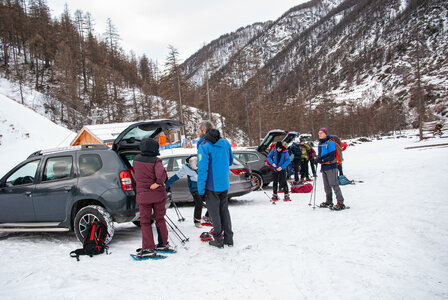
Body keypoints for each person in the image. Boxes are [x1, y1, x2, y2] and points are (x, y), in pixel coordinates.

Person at [133, 138, 174, 258]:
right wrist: (157, 184)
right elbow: (161, 176)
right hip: (157, 195)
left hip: (143, 195)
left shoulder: (136, 160)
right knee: (160, 219)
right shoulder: (156, 161)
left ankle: (148, 247)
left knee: (145, 222)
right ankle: (162, 244)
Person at [197, 121, 234, 248]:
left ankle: (218, 239)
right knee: (224, 211)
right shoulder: (225, 142)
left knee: (214, 213)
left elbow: (202, 169)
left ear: (203, 131)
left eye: (198, 130)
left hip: (211, 185)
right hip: (224, 183)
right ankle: (229, 238)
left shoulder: (204, 145)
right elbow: (230, 161)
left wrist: (200, 190)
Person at [165, 156, 206, 228]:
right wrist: (165, 185)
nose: (197, 169)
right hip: (194, 188)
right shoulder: (185, 168)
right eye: (195, 168)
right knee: (199, 203)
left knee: (212, 201)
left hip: (204, 186)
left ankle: (208, 217)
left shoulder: (200, 160)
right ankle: (197, 221)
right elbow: (176, 177)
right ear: (190, 165)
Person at [314, 128, 346, 210]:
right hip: (324, 167)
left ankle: (340, 202)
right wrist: (317, 159)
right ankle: (329, 201)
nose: (319, 134)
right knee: (326, 186)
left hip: (331, 166)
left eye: (321, 133)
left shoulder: (330, 142)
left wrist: (321, 160)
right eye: (319, 133)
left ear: (325, 134)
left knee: (334, 184)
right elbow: (320, 155)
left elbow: (332, 156)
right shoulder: (321, 143)